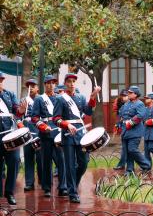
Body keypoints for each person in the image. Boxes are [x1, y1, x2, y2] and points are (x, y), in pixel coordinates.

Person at [53, 73, 101, 203]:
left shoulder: (80, 97)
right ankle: (72, 193)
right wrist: (66, 124)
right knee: (69, 164)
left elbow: (88, 112)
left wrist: (92, 97)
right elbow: (56, 119)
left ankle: (73, 183)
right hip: (68, 136)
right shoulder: (60, 99)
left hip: (80, 135)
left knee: (83, 163)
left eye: (74, 81)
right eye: (69, 81)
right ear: (65, 83)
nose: (72, 83)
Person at [32, 75, 67, 197]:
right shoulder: (39, 99)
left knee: (61, 160)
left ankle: (63, 187)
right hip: (46, 134)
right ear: (45, 85)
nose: (51, 85)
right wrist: (43, 127)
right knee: (46, 162)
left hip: (58, 133)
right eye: (48, 83)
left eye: (53, 83)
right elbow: (34, 118)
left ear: (55, 85)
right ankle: (47, 188)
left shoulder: (60, 98)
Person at [0, 72, 27, 205]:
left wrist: (21, 110)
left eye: (0, 80)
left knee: (15, 161)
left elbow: (17, 111)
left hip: (10, 136)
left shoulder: (9, 95)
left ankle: (9, 192)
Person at [118, 86, 151, 176]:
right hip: (125, 130)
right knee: (128, 151)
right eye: (128, 92)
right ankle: (129, 170)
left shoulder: (139, 104)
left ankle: (146, 165)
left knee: (132, 149)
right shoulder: (126, 104)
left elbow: (141, 115)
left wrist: (131, 122)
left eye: (130, 93)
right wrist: (119, 124)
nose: (128, 94)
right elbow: (122, 115)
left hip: (135, 131)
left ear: (135, 94)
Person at [22, 78, 43, 192]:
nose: (31, 88)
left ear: (37, 88)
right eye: (29, 86)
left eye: (33, 86)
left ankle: (42, 180)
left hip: (39, 132)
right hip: (27, 133)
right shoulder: (23, 100)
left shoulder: (42, 99)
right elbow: (19, 116)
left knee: (41, 158)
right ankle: (29, 183)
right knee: (29, 158)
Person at [113, 89, 129, 170]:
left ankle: (144, 164)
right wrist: (117, 125)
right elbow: (120, 117)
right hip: (124, 129)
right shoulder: (122, 106)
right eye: (123, 96)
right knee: (124, 148)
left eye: (125, 96)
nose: (124, 97)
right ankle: (122, 164)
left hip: (131, 130)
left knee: (132, 150)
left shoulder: (132, 105)